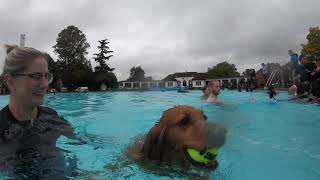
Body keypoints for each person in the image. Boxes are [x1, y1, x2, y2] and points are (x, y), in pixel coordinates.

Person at [0, 45, 80, 178]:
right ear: (11, 82)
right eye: (36, 76)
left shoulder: (51, 116)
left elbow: (82, 140)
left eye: (46, 76)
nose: (44, 85)